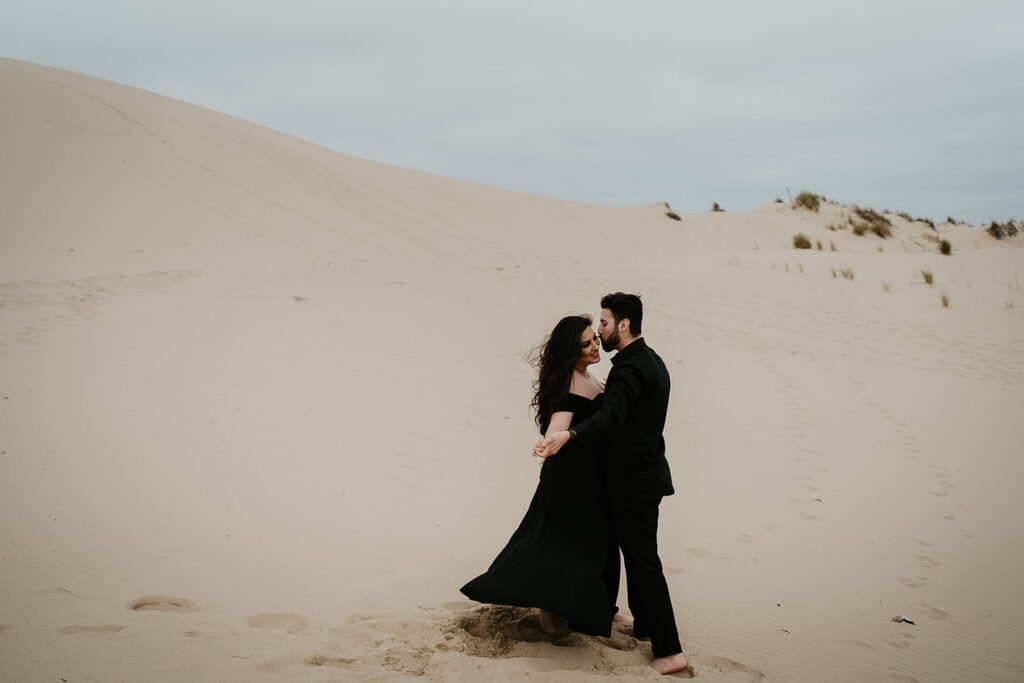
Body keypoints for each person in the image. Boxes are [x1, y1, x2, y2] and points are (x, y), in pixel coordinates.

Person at [534, 293, 688, 675]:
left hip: (633, 481)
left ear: (622, 324)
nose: (599, 333)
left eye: (603, 323)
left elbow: (612, 418)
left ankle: (670, 652)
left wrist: (570, 436)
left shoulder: (629, 369)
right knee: (629, 554)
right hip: (646, 473)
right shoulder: (651, 360)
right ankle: (641, 624)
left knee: (643, 562)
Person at [460, 315, 617, 637]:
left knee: (574, 544)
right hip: (569, 482)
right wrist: (547, 442)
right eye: (585, 344)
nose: (594, 346)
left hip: (587, 480)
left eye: (594, 339)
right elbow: (557, 426)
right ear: (570, 351)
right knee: (554, 544)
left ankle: (590, 609)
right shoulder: (569, 384)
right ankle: (549, 617)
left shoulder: (587, 375)